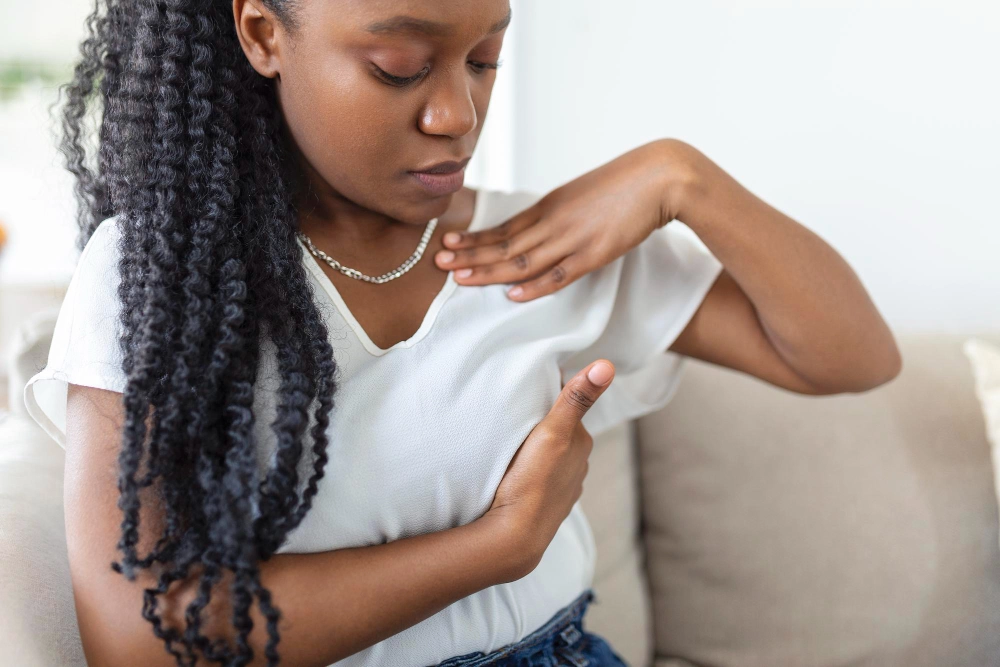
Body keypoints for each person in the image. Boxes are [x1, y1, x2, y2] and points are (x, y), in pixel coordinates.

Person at [22, 0, 902, 665]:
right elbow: (135, 638)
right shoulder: (164, 274)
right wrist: (498, 545)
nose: (457, 113)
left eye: (486, 59)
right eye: (400, 66)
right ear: (261, 34)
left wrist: (682, 177)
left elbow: (851, 354)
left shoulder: (544, 246)